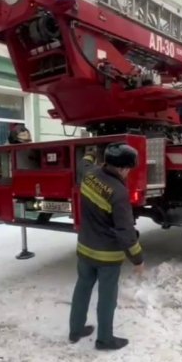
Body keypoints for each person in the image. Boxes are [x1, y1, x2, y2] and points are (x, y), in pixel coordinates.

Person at [69, 142, 145, 351]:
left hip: (85, 247)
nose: (128, 173)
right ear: (121, 168)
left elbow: (83, 164)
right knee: (107, 297)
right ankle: (104, 339)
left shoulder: (89, 175)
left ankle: (75, 330)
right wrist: (138, 259)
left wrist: (90, 154)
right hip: (107, 256)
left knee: (82, 287)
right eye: (128, 169)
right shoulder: (118, 193)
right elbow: (126, 231)